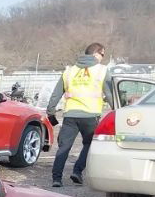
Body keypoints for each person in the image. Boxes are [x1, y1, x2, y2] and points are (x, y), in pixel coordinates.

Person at [46, 42, 113, 187]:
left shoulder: (69, 71)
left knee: (64, 147)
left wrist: (51, 112)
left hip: (70, 115)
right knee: (89, 144)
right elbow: (110, 94)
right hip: (90, 115)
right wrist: (119, 112)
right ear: (96, 54)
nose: (103, 58)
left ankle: (56, 179)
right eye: (102, 54)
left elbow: (56, 94)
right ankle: (77, 170)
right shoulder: (102, 70)